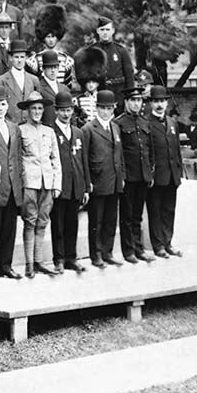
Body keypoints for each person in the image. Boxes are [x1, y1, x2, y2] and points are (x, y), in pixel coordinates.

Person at [17, 91, 62, 278]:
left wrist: (57, 184)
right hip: (30, 182)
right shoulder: (20, 131)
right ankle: (29, 264)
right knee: (30, 221)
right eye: (33, 108)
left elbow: (55, 159)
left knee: (43, 222)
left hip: (48, 182)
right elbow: (18, 159)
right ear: (27, 111)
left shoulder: (49, 131)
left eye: (40, 108)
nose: (37, 112)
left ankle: (39, 261)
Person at [81, 90, 126, 267]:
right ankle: (96, 254)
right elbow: (84, 158)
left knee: (110, 219)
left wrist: (121, 176)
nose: (105, 112)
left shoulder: (115, 127)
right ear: (96, 108)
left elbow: (119, 154)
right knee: (96, 221)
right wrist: (88, 182)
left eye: (109, 108)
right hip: (98, 181)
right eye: (102, 108)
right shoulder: (88, 129)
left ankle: (108, 252)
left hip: (114, 180)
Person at [0, 87, 23, 280]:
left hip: (12, 185)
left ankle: (6, 265)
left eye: (3, 104)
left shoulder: (13, 127)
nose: (1, 108)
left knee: (10, 227)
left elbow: (17, 158)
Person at [115, 86, 155, 263]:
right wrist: (122, 175)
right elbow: (119, 152)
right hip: (128, 177)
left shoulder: (145, 122)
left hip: (143, 175)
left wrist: (150, 172)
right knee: (127, 216)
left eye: (139, 100)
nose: (136, 103)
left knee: (138, 215)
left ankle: (139, 249)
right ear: (126, 102)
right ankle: (128, 251)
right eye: (133, 100)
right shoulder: (119, 123)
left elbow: (149, 150)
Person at [51, 91, 88, 273]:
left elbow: (84, 161)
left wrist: (86, 187)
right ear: (56, 111)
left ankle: (71, 258)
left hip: (76, 185)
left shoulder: (78, 132)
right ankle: (58, 258)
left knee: (72, 223)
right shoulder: (51, 132)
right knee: (58, 224)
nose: (66, 114)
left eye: (69, 110)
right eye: (62, 110)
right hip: (60, 187)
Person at [146, 86, 184, 258]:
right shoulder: (146, 123)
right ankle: (158, 245)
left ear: (167, 102)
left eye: (162, 101)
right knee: (155, 211)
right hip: (156, 177)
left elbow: (176, 150)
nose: (159, 105)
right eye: (156, 101)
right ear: (151, 103)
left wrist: (179, 171)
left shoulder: (173, 123)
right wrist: (149, 175)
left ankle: (168, 242)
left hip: (172, 176)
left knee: (169, 210)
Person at [93, 16, 135, 111]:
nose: (105, 32)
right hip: (98, 94)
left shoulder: (121, 51)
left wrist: (129, 98)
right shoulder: (92, 51)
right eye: (102, 29)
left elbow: (129, 76)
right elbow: (86, 76)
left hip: (118, 95)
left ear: (113, 31)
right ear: (97, 31)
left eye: (107, 29)